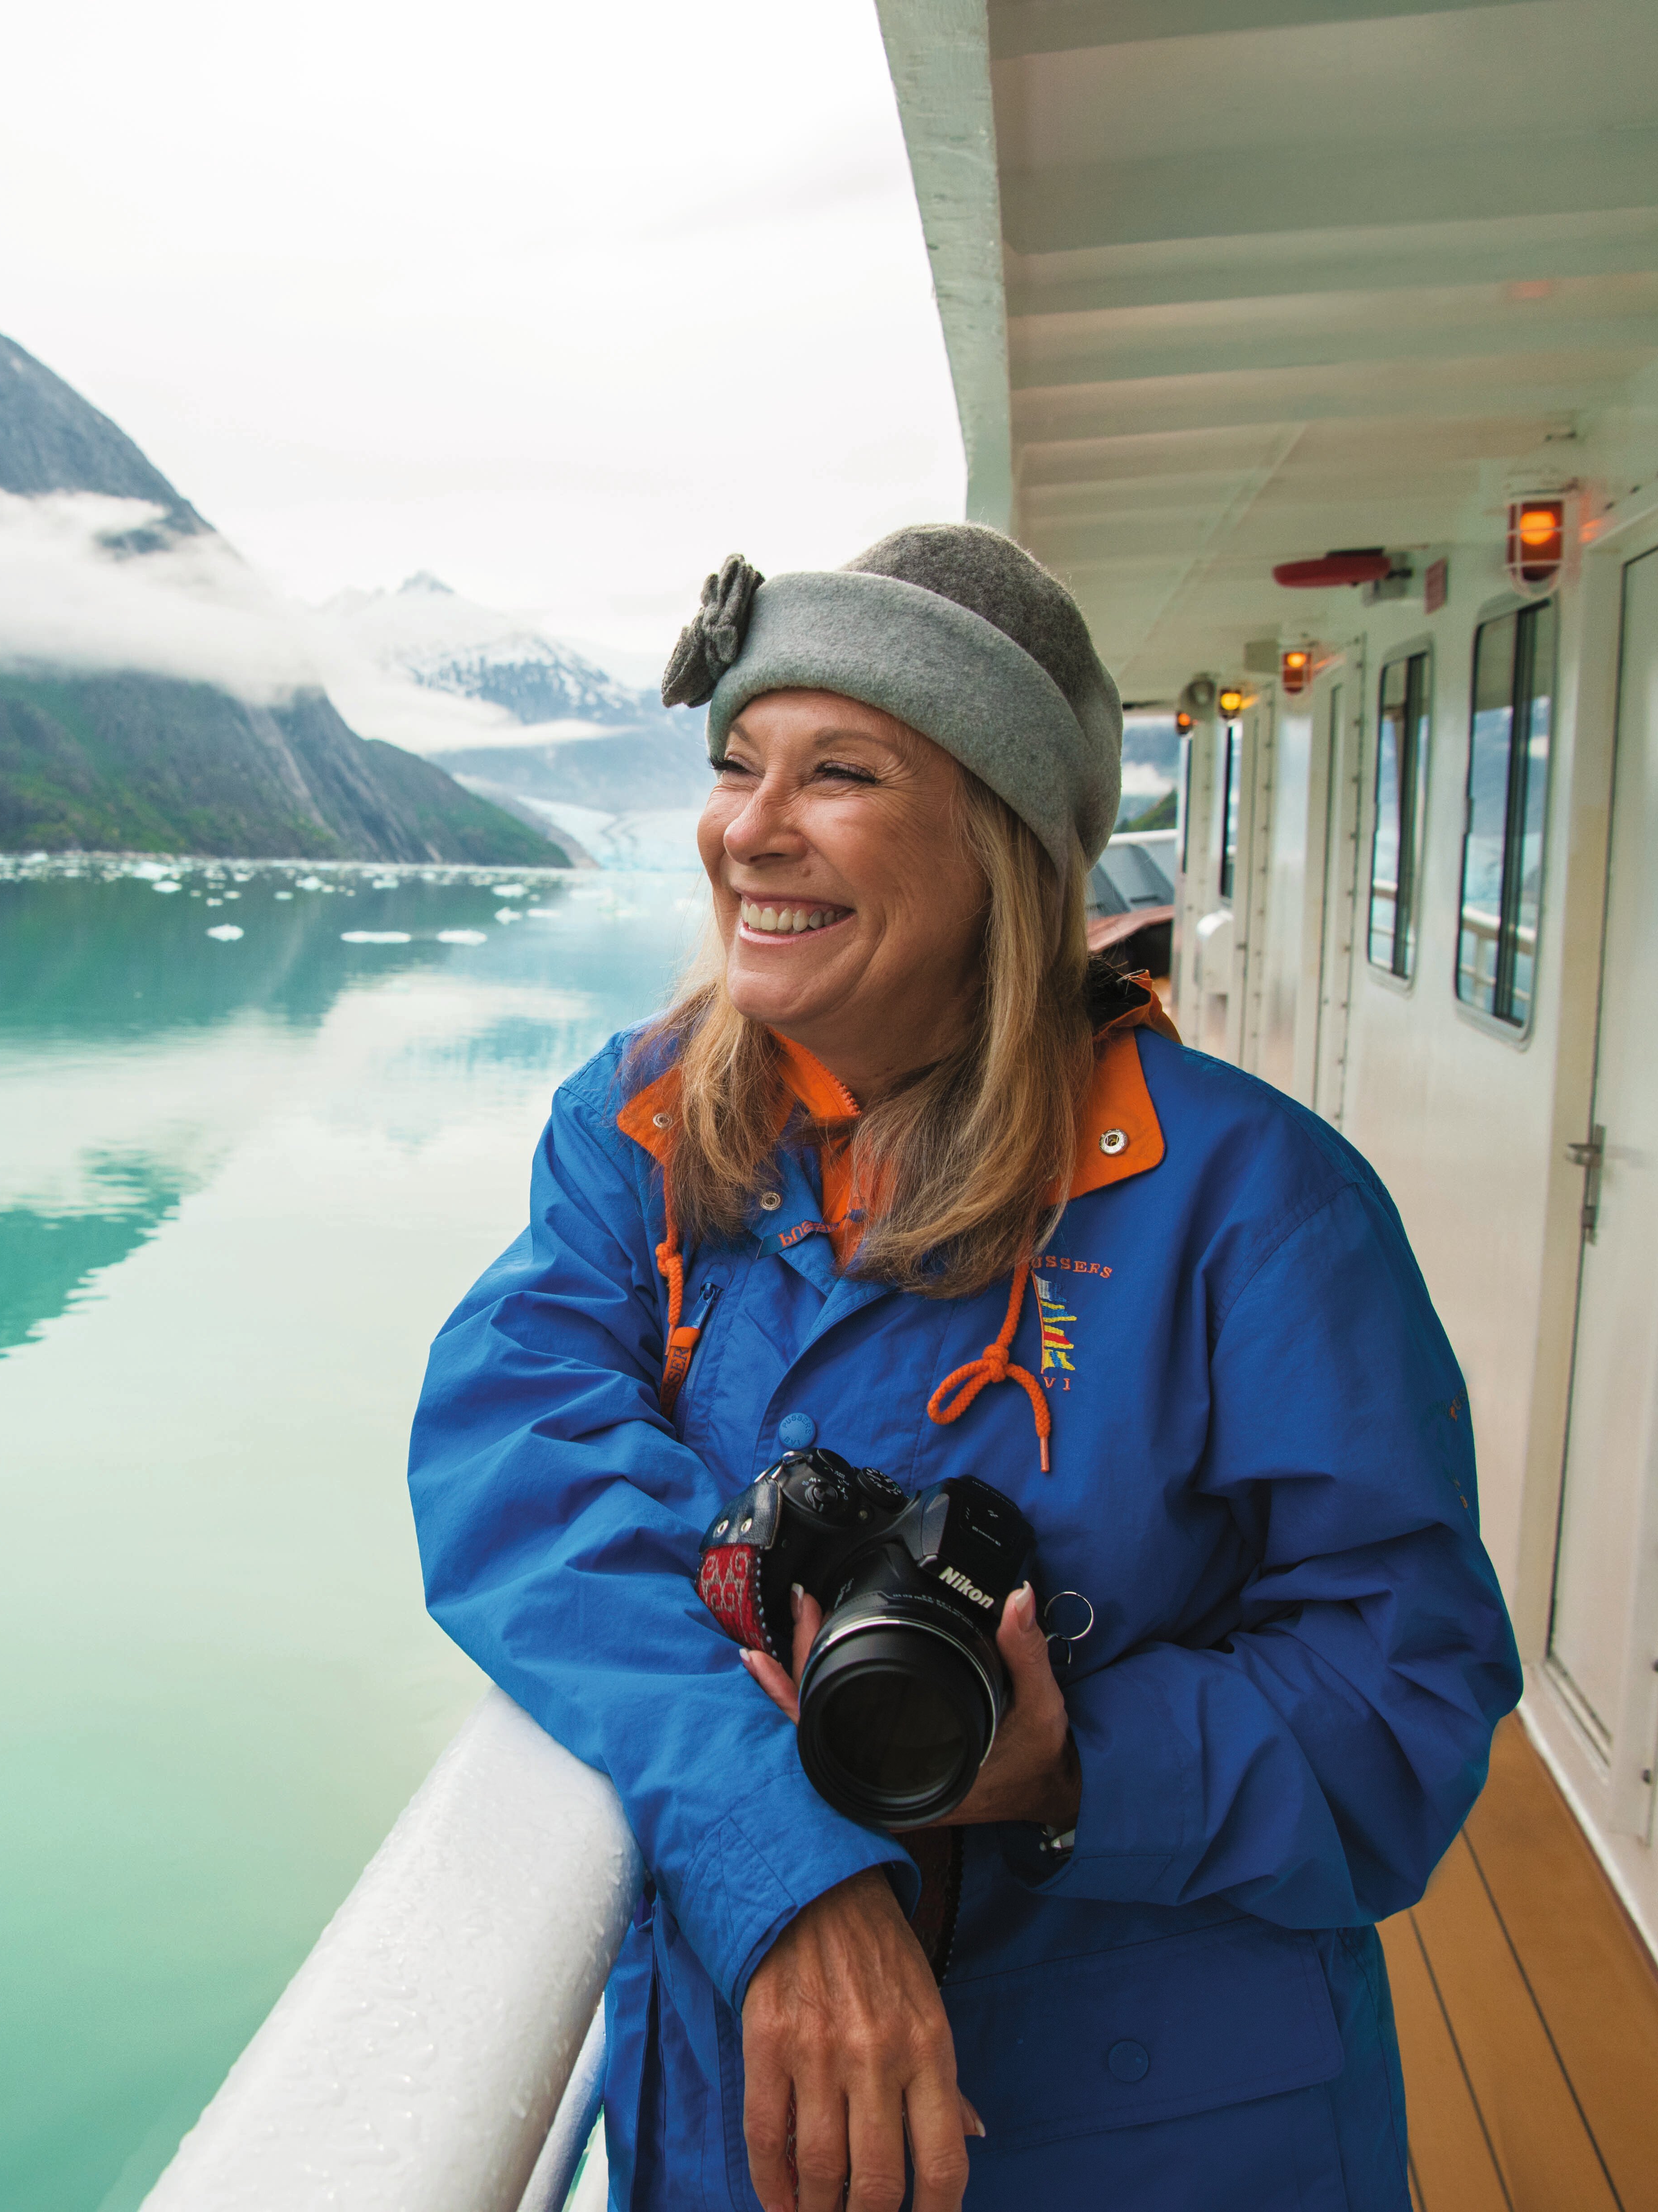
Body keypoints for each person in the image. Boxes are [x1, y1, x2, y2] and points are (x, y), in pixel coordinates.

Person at [406, 525, 1521, 2212]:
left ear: (998, 845)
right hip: (743, 2111)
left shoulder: (1250, 1206)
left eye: (838, 772)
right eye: (736, 765)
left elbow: (1407, 1701)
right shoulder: (637, 1134)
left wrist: (1073, 1762)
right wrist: (789, 1867)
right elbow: (520, 1469)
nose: (748, 832)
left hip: (1157, 2131)